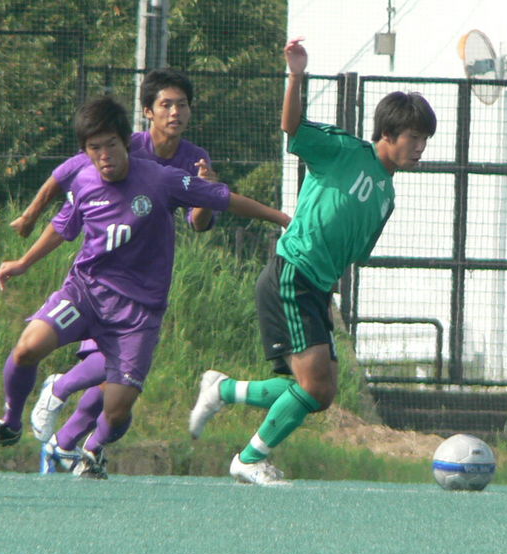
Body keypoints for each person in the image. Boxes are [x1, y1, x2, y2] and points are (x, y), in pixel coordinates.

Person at [0, 95, 290, 479]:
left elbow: (225, 198)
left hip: (138, 313)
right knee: (26, 348)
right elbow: (64, 226)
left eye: (111, 146)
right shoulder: (84, 180)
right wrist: (22, 263)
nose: (104, 156)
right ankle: (10, 423)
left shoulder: (161, 179)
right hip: (85, 292)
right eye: (94, 148)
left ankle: (94, 449)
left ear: (126, 142)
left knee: (116, 410)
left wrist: (284, 218)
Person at [187, 38, 436, 485]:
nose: (420, 147)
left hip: (316, 287)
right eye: (414, 137)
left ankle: (223, 389)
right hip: (292, 273)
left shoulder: (387, 195)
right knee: (315, 386)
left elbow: (353, 252)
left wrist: (331, 288)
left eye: (424, 140)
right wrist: (297, 75)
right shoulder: (344, 150)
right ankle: (248, 458)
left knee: (319, 394)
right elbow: (293, 128)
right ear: (388, 135)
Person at [25, 70, 221, 462]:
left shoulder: (195, 159)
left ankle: (69, 447)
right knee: (107, 368)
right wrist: (30, 216)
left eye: (182, 104)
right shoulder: (122, 146)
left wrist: (207, 193)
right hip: (101, 281)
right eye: (166, 104)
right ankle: (60, 395)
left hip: (146, 285)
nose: (175, 112)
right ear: (148, 111)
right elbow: (65, 173)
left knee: (115, 390)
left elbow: (199, 224)